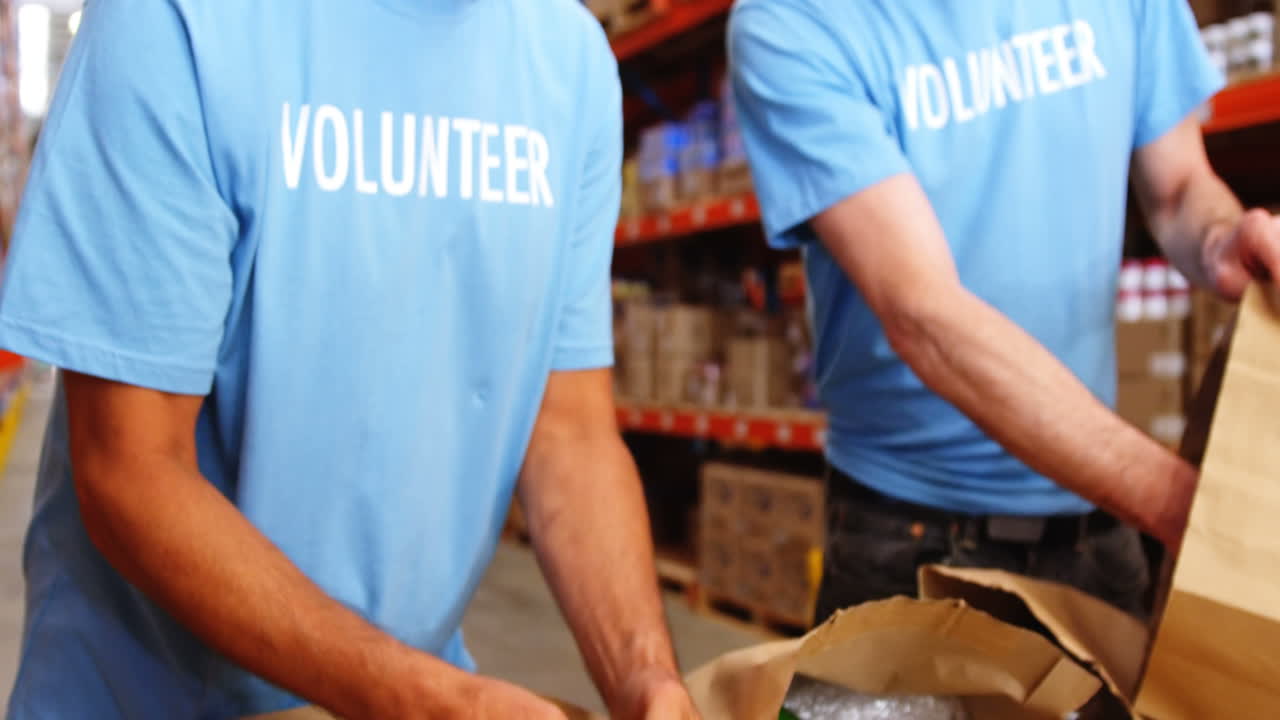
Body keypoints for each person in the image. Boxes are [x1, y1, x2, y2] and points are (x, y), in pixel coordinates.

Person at [0, 1, 700, 719]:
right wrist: (431, 700)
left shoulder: (569, 60)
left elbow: (570, 434)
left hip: (407, 690)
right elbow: (129, 467)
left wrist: (644, 676)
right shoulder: (179, 21)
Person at [727, 0, 1280, 621]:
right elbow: (923, 315)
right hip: (908, 533)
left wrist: (1219, 239)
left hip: (1101, 520)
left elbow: (1179, 187)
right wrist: (1188, 512)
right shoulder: (795, 19)